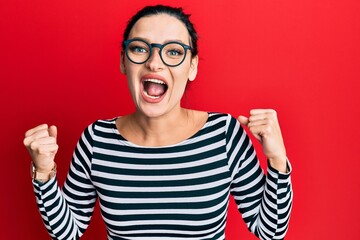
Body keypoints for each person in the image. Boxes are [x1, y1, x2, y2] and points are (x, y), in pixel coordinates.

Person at [23, 5, 292, 240]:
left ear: (193, 67)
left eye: (174, 52)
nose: (155, 63)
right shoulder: (96, 140)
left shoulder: (224, 136)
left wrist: (278, 160)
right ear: (123, 61)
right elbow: (67, 232)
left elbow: (270, 231)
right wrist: (44, 173)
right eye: (140, 48)